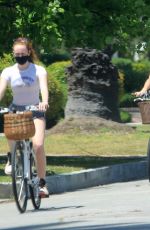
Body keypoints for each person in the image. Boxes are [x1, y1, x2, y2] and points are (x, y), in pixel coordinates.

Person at [0, 37, 49, 198]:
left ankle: (42, 184)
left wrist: (45, 102)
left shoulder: (39, 70)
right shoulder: (8, 71)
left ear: (29, 52)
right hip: (17, 109)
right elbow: (1, 89)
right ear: (13, 54)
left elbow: (43, 89)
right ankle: (12, 156)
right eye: (17, 53)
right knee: (12, 135)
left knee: (38, 145)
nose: (20, 56)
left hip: (35, 109)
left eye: (23, 53)